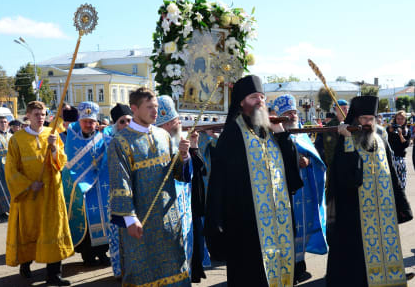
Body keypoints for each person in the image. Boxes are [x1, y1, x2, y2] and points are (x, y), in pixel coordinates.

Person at [204, 75, 303, 287]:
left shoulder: (272, 131)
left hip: (278, 221)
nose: (260, 101)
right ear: (241, 102)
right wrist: (217, 225)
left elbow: (292, 175)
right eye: (253, 97)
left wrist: (283, 136)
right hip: (246, 224)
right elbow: (218, 182)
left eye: (262, 97)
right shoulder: (232, 134)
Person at [107, 87, 192, 286]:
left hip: (168, 221)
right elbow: (120, 182)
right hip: (141, 221)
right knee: (143, 274)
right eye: (149, 107)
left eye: (156, 107)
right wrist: (129, 218)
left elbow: (177, 174)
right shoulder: (120, 142)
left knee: (175, 270)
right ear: (134, 109)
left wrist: (184, 156)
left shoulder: (163, 135)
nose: (155, 112)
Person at [326, 96, 413, 287]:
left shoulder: (381, 136)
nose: (367, 122)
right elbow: (348, 179)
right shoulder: (345, 140)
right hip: (355, 211)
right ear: (355, 119)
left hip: (383, 210)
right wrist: (348, 142)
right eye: (363, 118)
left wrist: (401, 204)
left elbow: (391, 171)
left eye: (371, 118)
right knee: (358, 263)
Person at [5, 101, 73, 286]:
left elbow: (61, 163)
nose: (40, 117)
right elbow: (11, 169)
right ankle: (26, 265)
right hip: (29, 196)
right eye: (36, 114)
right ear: (27, 115)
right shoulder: (17, 139)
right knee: (30, 230)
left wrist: (53, 149)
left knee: (52, 230)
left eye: (43, 114)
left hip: (51, 193)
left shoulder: (52, 135)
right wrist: (27, 185)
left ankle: (54, 275)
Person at [273, 94, 328, 284]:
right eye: (288, 113)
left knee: (302, 230)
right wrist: (296, 162)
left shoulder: (301, 133)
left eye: (294, 112)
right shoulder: (275, 135)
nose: (292, 115)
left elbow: (315, 158)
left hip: (305, 191)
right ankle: (289, 271)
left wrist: (309, 162)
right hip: (286, 191)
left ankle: (300, 267)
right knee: (288, 231)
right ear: (280, 116)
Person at [156, 95, 208, 283]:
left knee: (193, 244)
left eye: (176, 120)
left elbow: (200, 170)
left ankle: (192, 273)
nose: (178, 124)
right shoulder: (159, 145)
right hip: (171, 205)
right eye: (173, 122)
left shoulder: (182, 139)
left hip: (190, 203)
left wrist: (193, 148)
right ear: (164, 125)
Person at [62, 101, 110, 266]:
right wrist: (82, 182)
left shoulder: (101, 137)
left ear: (96, 123)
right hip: (81, 187)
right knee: (87, 223)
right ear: (79, 121)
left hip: (99, 186)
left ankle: (102, 253)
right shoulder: (72, 137)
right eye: (85, 121)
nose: (89, 125)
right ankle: (88, 255)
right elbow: (71, 164)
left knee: (102, 219)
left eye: (92, 121)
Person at [103, 103, 132, 278]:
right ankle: (120, 270)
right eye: (122, 122)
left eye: (129, 120)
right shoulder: (108, 142)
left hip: (135, 193)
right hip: (114, 194)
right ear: (116, 125)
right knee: (117, 232)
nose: (126, 124)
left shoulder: (139, 138)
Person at [387, 110, 411, 189]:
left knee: (401, 181)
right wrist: (389, 131)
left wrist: (401, 135)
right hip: (390, 158)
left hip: (400, 158)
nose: (400, 121)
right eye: (398, 119)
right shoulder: (390, 128)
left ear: (405, 120)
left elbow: (406, 145)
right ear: (395, 119)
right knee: (391, 181)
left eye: (402, 119)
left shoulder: (407, 131)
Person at [0, 116, 12, 219]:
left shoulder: (11, 136)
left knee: (11, 186)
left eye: (5, 122)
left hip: (11, 164)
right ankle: (2, 211)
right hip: (0, 166)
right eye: (1, 122)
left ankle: (11, 208)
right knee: (1, 187)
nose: (3, 124)